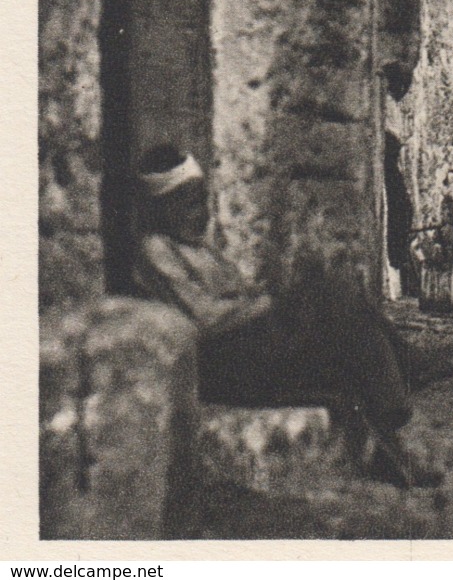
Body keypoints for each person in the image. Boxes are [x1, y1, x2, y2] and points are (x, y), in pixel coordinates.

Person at [129, 144, 428, 487]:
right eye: (188, 204)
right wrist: (270, 307)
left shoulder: (197, 248)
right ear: (162, 208)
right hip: (222, 363)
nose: (202, 213)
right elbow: (206, 319)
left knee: (337, 295)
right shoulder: (156, 251)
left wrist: (269, 303)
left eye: (202, 201)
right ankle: (407, 370)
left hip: (246, 348)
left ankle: (396, 441)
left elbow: (240, 295)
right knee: (332, 292)